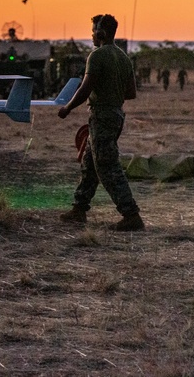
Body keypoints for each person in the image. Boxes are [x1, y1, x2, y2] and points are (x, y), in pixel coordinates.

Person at [58, 14, 144, 231]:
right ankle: (79, 209)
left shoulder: (97, 56)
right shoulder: (123, 57)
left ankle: (130, 214)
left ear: (101, 33)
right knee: (90, 164)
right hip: (115, 114)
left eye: (93, 31)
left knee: (107, 166)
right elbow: (131, 93)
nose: (92, 35)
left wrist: (67, 107)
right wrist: (112, 95)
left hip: (102, 116)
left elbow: (85, 89)